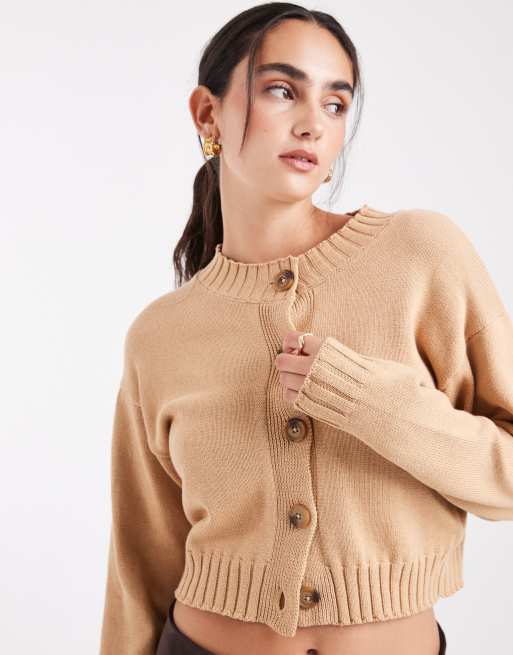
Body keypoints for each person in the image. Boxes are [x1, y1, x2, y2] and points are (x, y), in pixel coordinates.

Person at [99, 3, 513, 655]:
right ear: (207, 115)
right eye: (281, 90)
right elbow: (139, 565)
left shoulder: (420, 255)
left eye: (335, 103)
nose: (312, 124)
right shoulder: (160, 335)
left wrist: (374, 403)